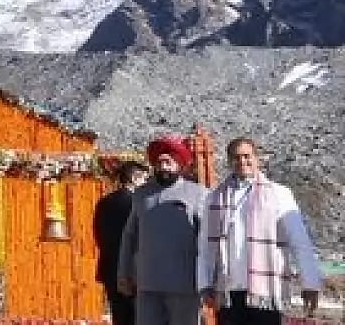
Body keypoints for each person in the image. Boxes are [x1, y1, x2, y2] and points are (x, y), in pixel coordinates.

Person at [197, 136, 324, 325]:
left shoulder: (279, 194)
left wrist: (310, 283)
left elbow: (299, 240)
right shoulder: (214, 198)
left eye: (247, 156)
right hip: (229, 291)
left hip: (265, 293)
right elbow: (206, 246)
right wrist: (204, 284)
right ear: (229, 161)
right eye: (236, 157)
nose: (242, 162)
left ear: (257, 159)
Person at [117, 134, 209, 325]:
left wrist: (209, 279)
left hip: (185, 284)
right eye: (160, 162)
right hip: (148, 283)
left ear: (179, 164)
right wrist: (123, 272)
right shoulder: (141, 195)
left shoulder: (198, 194)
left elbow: (207, 239)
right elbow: (129, 235)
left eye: (168, 162)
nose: (164, 167)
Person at [94, 161, 149, 325]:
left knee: (120, 316)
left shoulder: (104, 203)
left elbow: (99, 234)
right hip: (136, 270)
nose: (146, 183)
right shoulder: (138, 203)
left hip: (110, 268)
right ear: (134, 178)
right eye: (144, 179)